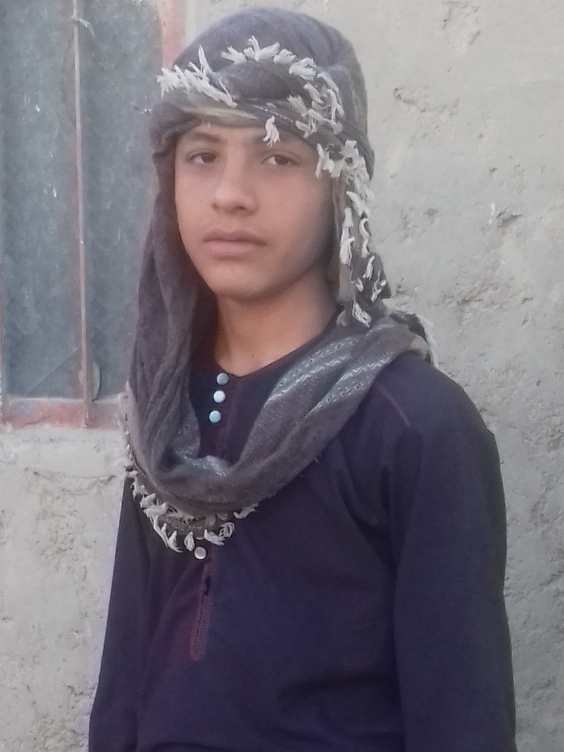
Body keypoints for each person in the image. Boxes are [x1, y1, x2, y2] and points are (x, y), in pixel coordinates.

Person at [89, 7, 517, 752]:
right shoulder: (164, 414)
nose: (231, 193)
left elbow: (462, 720)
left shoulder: (414, 427)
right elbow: (125, 681)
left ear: (340, 187)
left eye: (277, 156)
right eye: (202, 155)